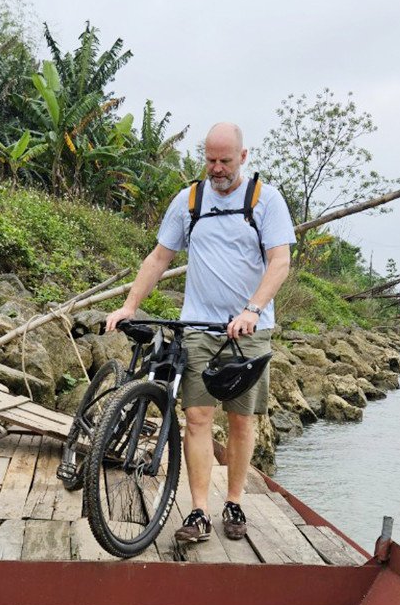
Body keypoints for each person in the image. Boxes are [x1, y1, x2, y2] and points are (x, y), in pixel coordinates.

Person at [105, 122, 295, 544]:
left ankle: (234, 500)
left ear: (243, 157)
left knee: (242, 421)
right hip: (199, 327)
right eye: (210, 160)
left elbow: (279, 262)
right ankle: (197, 511)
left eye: (225, 161)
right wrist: (129, 305)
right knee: (196, 417)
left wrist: (252, 309)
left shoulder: (266, 200)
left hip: (250, 329)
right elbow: (158, 257)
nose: (217, 169)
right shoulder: (189, 200)